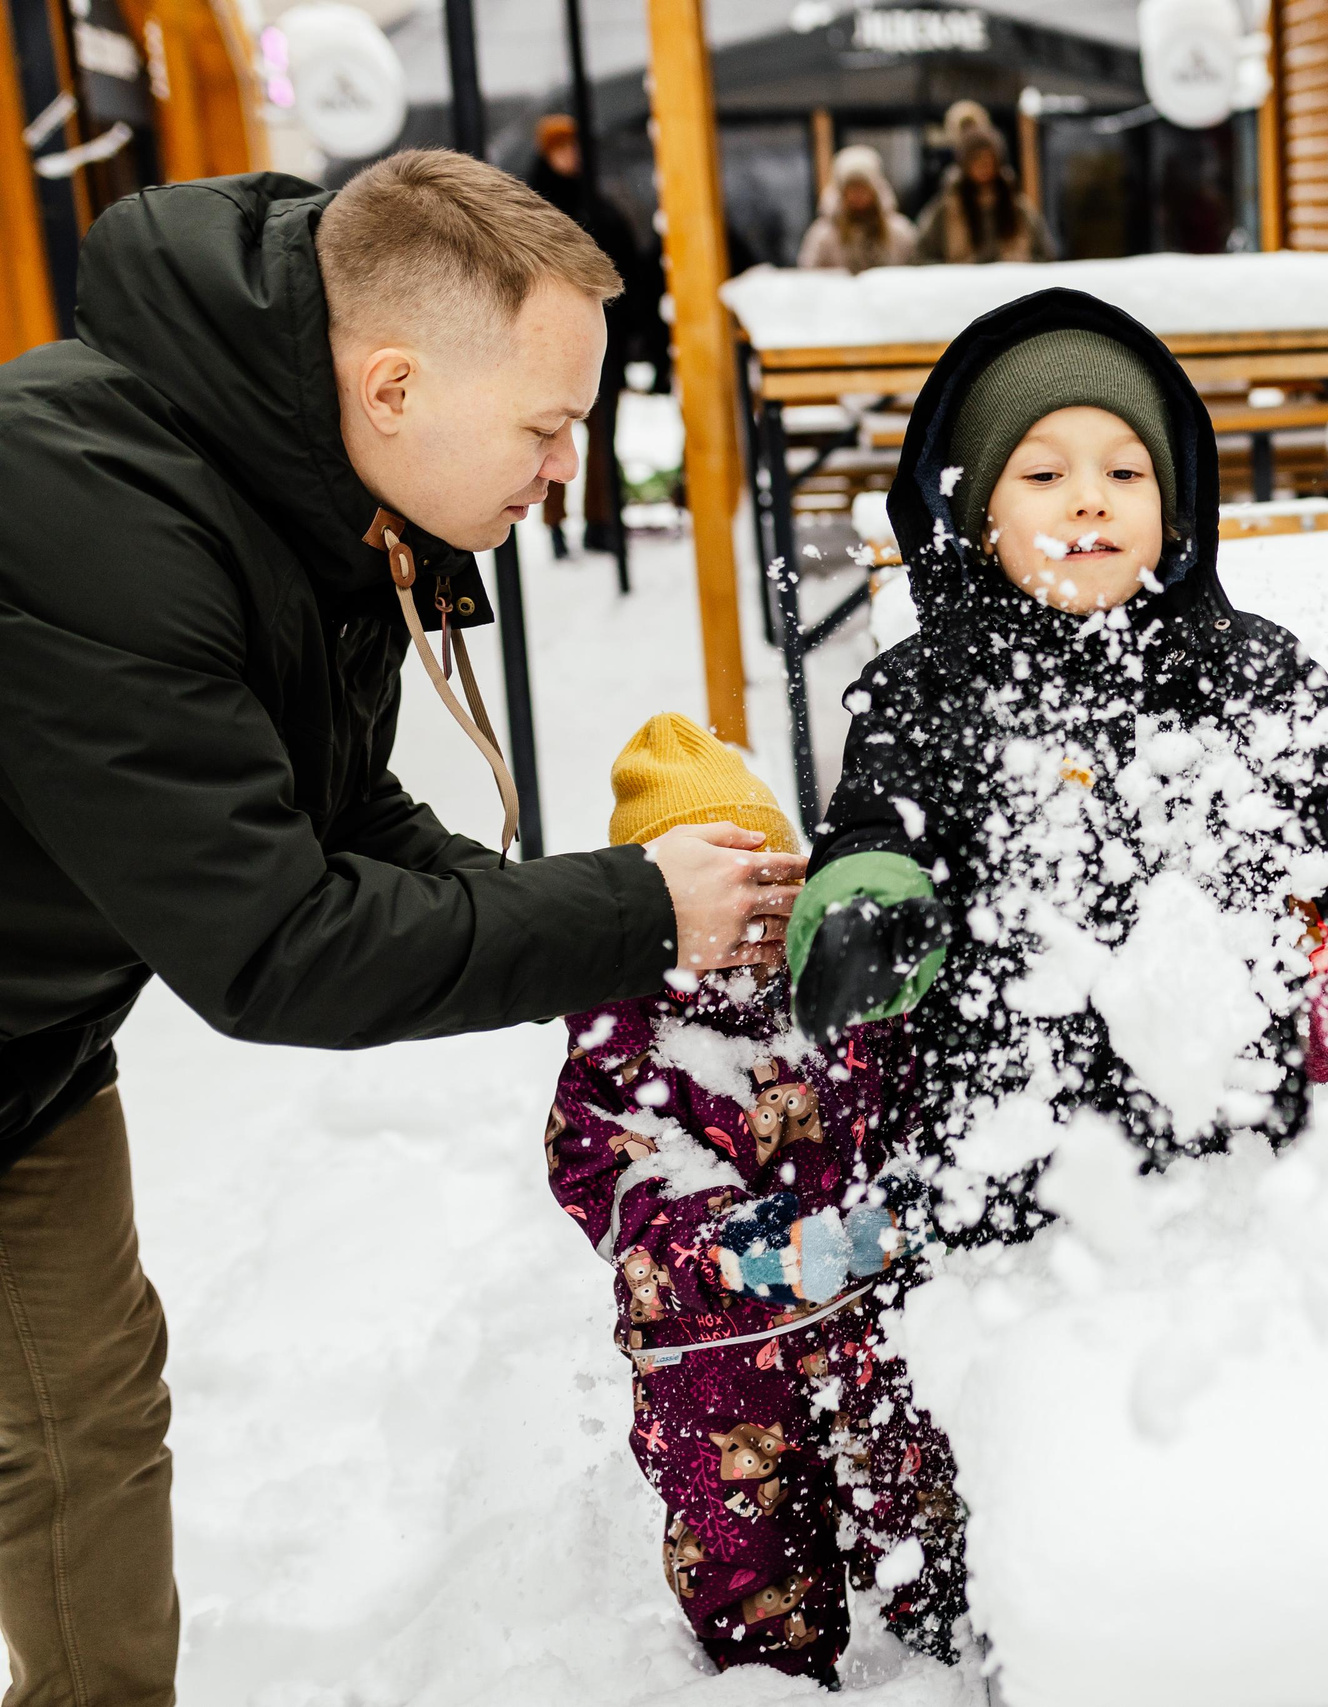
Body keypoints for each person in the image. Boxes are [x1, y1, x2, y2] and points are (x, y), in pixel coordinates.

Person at [0, 152, 799, 1705]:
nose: (569, 467)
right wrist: (633, 915)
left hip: (23, 1049)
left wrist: (621, 914)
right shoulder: (81, 514)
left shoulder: (304, 482)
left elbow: (343, 816)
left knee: (83, 1409)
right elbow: (278, 938)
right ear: (389, 382)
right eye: (546, 425)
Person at [781, 287, 1328, 1244]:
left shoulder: (1248, 672)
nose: (1091, 496)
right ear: (976, 518)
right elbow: (874, 831)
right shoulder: (924, 688)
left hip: (1229, 1160)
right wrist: (864, 917)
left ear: (1172, 510)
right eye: (1045, 473)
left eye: (1127, 472)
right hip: (1003, 1175)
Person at [548, 715, 964, 1680]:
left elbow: (908, 1093)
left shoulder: (831, 982)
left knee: (920, 1506)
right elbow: (609, 1171)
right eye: (733, 890)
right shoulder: (622, 1031)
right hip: (717, 1363)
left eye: (777, 880)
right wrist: (729, 1242)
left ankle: (944, 1657)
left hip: (869, 1324)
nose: (762, 914)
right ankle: (766, 1685)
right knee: (750, 1568)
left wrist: (907, 1195)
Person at [527, 113, 653, 559]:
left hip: (603, 341)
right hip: (546, 345)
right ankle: (556, 523)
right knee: (550, 434)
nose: (571, 156)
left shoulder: (597, 205)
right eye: (562, 148)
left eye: (574, 147)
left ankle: (600, 520)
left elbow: (628, 272)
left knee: (602, 439)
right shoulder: (531, 210)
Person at [913, 100, 1055, 266]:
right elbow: (921, 254)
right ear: (966, 165)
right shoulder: (947, 210)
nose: (983, 167)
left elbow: (1045, 255)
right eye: (977, 161)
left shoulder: (1017, 208)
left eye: (988, 161)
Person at [797, 143, 918, 275]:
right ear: (841, 193)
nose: (857, 195)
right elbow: (809, 277)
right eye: (851, 188)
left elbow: (913, 275)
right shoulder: (823, 236)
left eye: (863, 187)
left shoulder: (900, 232)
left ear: (875, 190)